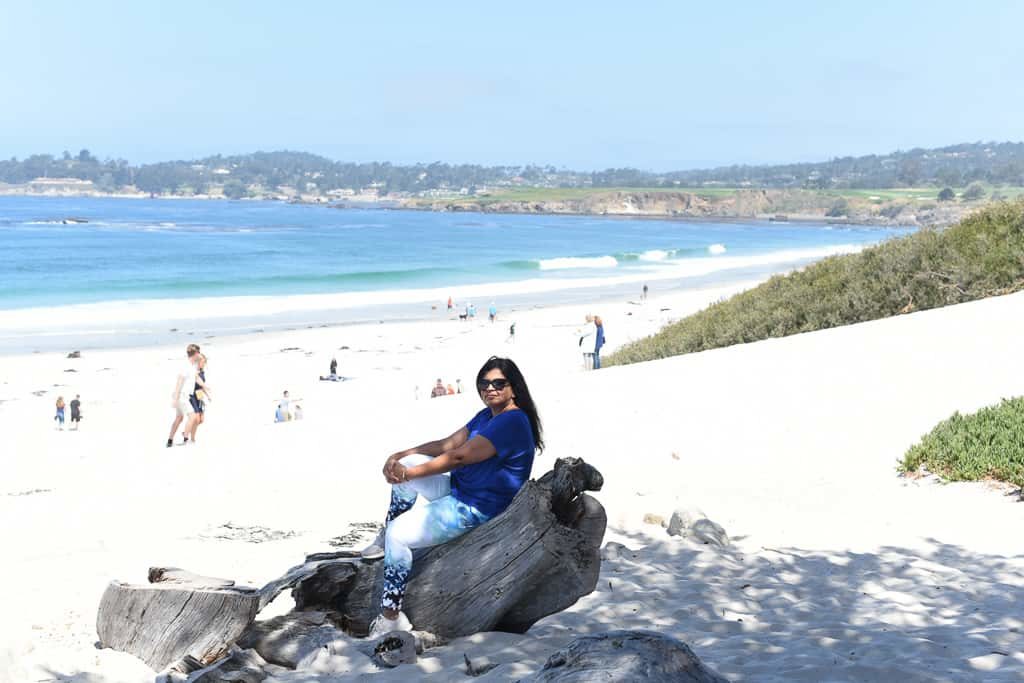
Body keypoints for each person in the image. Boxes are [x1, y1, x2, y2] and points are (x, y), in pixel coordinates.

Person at [361, 356, 544, 637]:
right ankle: (388, 539)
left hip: (475, 507)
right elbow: (448, 444)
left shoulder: (513, 421)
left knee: (399, 533)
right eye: (485, 383)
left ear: (513, 388)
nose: (490, 388)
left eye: (498, 383)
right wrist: (402, 457)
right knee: (411, 466)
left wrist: (407, 475)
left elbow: (459, 457)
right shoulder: (488, 416)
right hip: (461, 490)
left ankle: (390, 616)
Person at [168, 344, 210, 446]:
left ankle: (170, 440)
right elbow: (179, 380)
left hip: (182, 396)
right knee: (192, 416)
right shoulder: (186, 366)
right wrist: (176, 397)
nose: (200, 355)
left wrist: (205, 387)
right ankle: (186, 440)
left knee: (179, 418)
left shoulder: (192, 366)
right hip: (182, 395)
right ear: (195, 354)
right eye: (198, 353)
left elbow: (197, 378)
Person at [186, 353, 208, 444]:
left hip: (200, 395)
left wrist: (207, 395)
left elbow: (202, 386)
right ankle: (192, 438)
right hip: (192, 395)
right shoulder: (193, 371)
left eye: (204, 362)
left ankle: (188, 430)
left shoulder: (202, 372)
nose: (203, 364)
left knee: (201, 420)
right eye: (202, 362)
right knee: (196, 418)